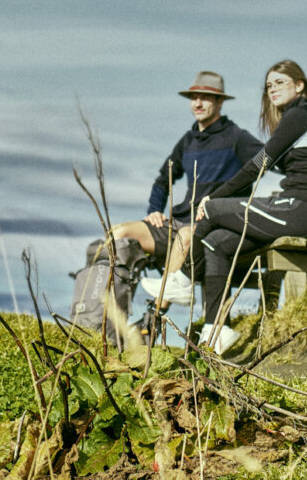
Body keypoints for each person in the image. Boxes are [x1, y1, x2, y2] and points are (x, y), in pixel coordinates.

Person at [188, 59, 307, 353]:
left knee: (214, 211)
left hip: (305, 212)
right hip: (295, 206)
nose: (272, 89)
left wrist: (214, 197)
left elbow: (259, 165)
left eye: (279, 82)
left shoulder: (301, 114)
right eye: (268, 85)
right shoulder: (292, 120)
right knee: (217, 242)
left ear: (299, 85)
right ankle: (216, 329)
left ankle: (181, 278)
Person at [101, 70, 264, 310]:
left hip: (212, 226)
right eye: (193, 97)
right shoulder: (188, 141)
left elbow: (270, 158)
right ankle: (107, 318)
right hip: (178, 223)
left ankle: (153, 319)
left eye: (205, 97)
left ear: (220, 102)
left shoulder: (237, 137)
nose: (198, 103)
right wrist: (154, 209)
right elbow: (163, 178)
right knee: (120, 234)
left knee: (185, 238)